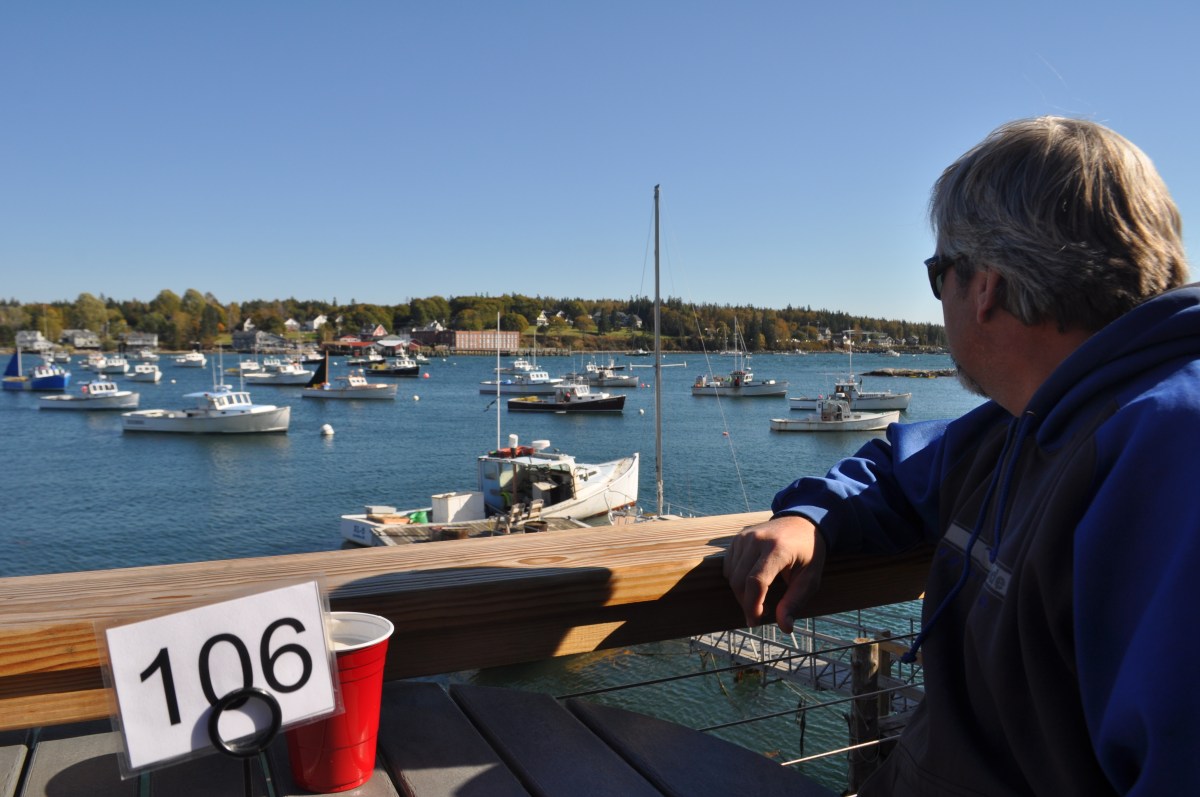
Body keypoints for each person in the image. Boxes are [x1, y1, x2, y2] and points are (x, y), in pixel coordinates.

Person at [724, 116, 1198, 795]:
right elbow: (895, 469)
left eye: (937, 270)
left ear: (986, 287)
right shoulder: (1024, 428)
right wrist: (811, 517)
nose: (937, 294)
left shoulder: (1171, 456)